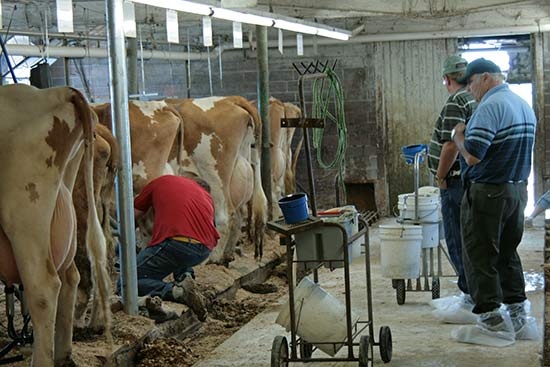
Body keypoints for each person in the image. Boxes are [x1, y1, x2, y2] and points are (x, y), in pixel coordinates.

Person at [452, 58, 537, 342]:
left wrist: (458, 137)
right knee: (507, 253)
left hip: (489, 191)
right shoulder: (522, 105)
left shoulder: (490, 107)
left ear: (486, 77)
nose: (470, 90)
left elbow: (474, 155)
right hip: (517, 191)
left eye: (472, 83)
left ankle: (493, 323)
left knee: (479, 255)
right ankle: (518, 318)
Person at [132, 174, 220, 321]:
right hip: (203, 250)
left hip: (175, 244)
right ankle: (185, 277)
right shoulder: (205, 195)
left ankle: (176, 291)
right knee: (179, 256)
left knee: (127, 282)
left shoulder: (160, 181)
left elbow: (131, 216)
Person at [428, 55, 477, 298]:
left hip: (454, 180)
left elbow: (450, 146)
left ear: (447, 79)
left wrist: (440, 176)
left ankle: (470, 294)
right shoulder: (473, 99)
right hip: (468, 179)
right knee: (470, 237)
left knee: (457, 240)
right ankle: (475, 291)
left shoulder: (455, 102)